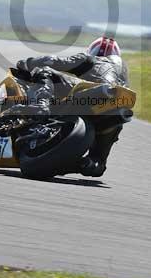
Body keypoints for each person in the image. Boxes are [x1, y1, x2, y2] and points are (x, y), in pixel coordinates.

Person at [14, 36, 129, 177]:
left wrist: (25, 64)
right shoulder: (123, 71)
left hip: (92, 95)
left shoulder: (90, 59)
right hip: (116, 113)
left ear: (92, 51)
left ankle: (40, 105)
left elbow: (53, 61)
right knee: (98, 162)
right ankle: (86, 164)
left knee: (45, 71)